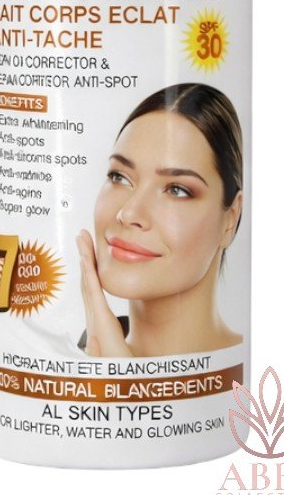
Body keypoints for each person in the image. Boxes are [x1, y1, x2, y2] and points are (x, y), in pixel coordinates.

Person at [76, 83, 244, 357]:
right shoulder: (75, 356)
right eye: (119, 177)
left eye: (177, 190)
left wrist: (122, 378)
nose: (129, 213)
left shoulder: (249, 367)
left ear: (230, 219)